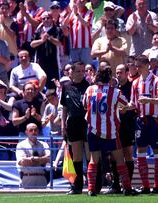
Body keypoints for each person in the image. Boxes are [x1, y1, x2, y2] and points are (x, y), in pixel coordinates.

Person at [83, 67, 136, 196]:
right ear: (110, 77)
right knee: (120, 160)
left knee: (93, 160)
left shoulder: (90, 90)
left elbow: (85, 105)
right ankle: (127, 188)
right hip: (110, 131)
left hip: (93, 130)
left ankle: (91, 189)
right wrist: (133, 105)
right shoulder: (115, 92)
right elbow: (125, 105)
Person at [127, 55, 158, 194]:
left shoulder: (157, 80)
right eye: (136, 66)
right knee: (140, 152)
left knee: (157, 151)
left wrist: (149, 100)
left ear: (147, 65)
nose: (137, 68)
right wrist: (125, 107)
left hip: (154, 120)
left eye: (140, 66)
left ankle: (157, 185)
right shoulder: (135, 83)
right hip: (141, 120)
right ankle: (145, 186)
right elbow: (133, 103)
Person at [104, 64, 136, 194]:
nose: (118, 75)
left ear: (127, 72)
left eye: (121, 72)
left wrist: (126, 111)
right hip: (115, 125)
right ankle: (115, 185)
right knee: (113, 155)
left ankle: (127, 184)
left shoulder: (132, 86)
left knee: (128, 153)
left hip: (128, 124)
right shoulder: (114, 88)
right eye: (116, 72)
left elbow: (135, 104)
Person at [60, 61, 90, 195]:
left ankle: (93, 185)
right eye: (78, 71)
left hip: (87, 122)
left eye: (83, 71)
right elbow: (64, 108)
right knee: (76, 156)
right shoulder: (66, 87)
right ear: (71, 72)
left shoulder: (89, 86)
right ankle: (77, 187)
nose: (81, 73)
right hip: (73, 123)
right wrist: (63, 125)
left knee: (90, 155)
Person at [30, 11, 62, 88]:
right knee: (39, 84)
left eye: (48, 18)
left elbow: (59, 43)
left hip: (53, 63)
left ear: (51, 19)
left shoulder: (56, 29)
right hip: (40, 62)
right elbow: (32, 44)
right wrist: (41, 40)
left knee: (54, 85)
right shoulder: (38, 31)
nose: (46, 20)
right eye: (43, 18)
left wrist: (49, 37)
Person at [16, 123, 50, 189]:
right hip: (26, 179)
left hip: (41, 179)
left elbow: (49, 159)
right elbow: (23, 162)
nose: (33, 132)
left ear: (38, 131)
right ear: (26, 132)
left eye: (35, 130)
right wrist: (41, 160)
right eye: (31, 130)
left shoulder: (44, 144)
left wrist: (31, 159)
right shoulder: (21, 145)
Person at [61, 0, 94, 64]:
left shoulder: (89, 12)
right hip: (74, 47)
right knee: (75, 69)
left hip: (86, 47)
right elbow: (64, 25)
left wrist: (77, 14)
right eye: (80, 0)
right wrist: (71, 13)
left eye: (83, 1)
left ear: (85, 2)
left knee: (87, 68)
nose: (81, 2)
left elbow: (86, 24)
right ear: (76, 2)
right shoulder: (72, 13)